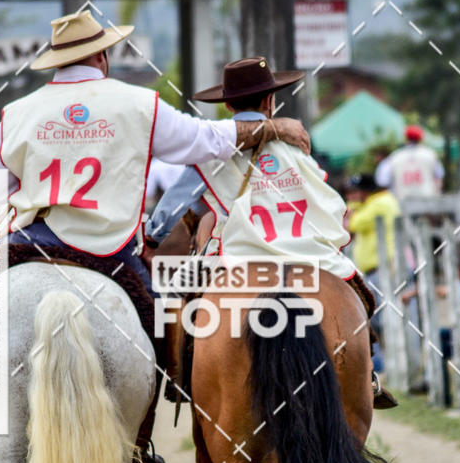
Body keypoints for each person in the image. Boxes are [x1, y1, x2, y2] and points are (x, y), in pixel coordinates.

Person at [0, 13, 310, 463]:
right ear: (103, 55)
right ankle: (139, 440)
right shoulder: (139, 103)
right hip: (111, 251)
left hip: (32, 239)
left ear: (58, 61)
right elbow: (206, 141)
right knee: (158, 332)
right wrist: (273, 128)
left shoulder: (17, 112)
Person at [149, 57, 395, 408]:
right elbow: (326, 200)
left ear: (229, 104)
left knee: (184, 301)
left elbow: (172, 205)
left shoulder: (210, 151)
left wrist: (151, 237)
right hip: (307, 254)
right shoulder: (295, 145)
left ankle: (182, 377)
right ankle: (366, 374)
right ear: (270, 101)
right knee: (361, 298)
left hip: (239, 258)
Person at [345, 173, 401, 373]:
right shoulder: (372, 204)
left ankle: (387, 366)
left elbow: (351, 224)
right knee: (375, 319)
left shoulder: (380, 204)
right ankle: (384, 366)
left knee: (383, 319)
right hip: (375, 271)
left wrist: (352, 208)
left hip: (384, 270)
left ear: (367, 192)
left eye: (356, 192)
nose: (352, 197)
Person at [375, 124, 444, 202]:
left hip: (402, 202)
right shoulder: (430, 155)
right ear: (421, 138)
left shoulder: (395, 157)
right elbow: (439, 179)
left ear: (406, 138)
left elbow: (383, 181)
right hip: (428, 202)